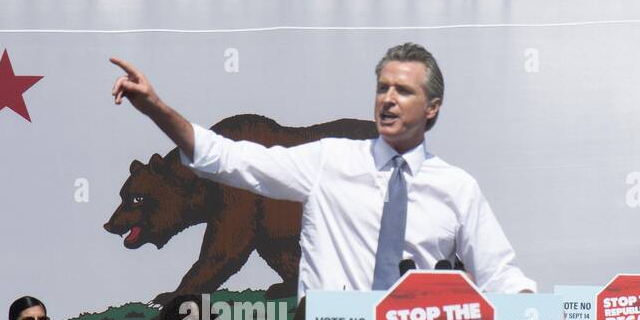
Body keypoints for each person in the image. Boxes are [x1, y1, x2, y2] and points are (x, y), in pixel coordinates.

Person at [110, 43, 535, 297]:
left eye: (403, 91)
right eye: (382, 88)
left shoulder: (457, 188)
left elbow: (500, 275)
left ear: (432, 108)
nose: (387, 99)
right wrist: (157, 109)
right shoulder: (327, 160)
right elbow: (225, 158)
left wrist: (532, 316)